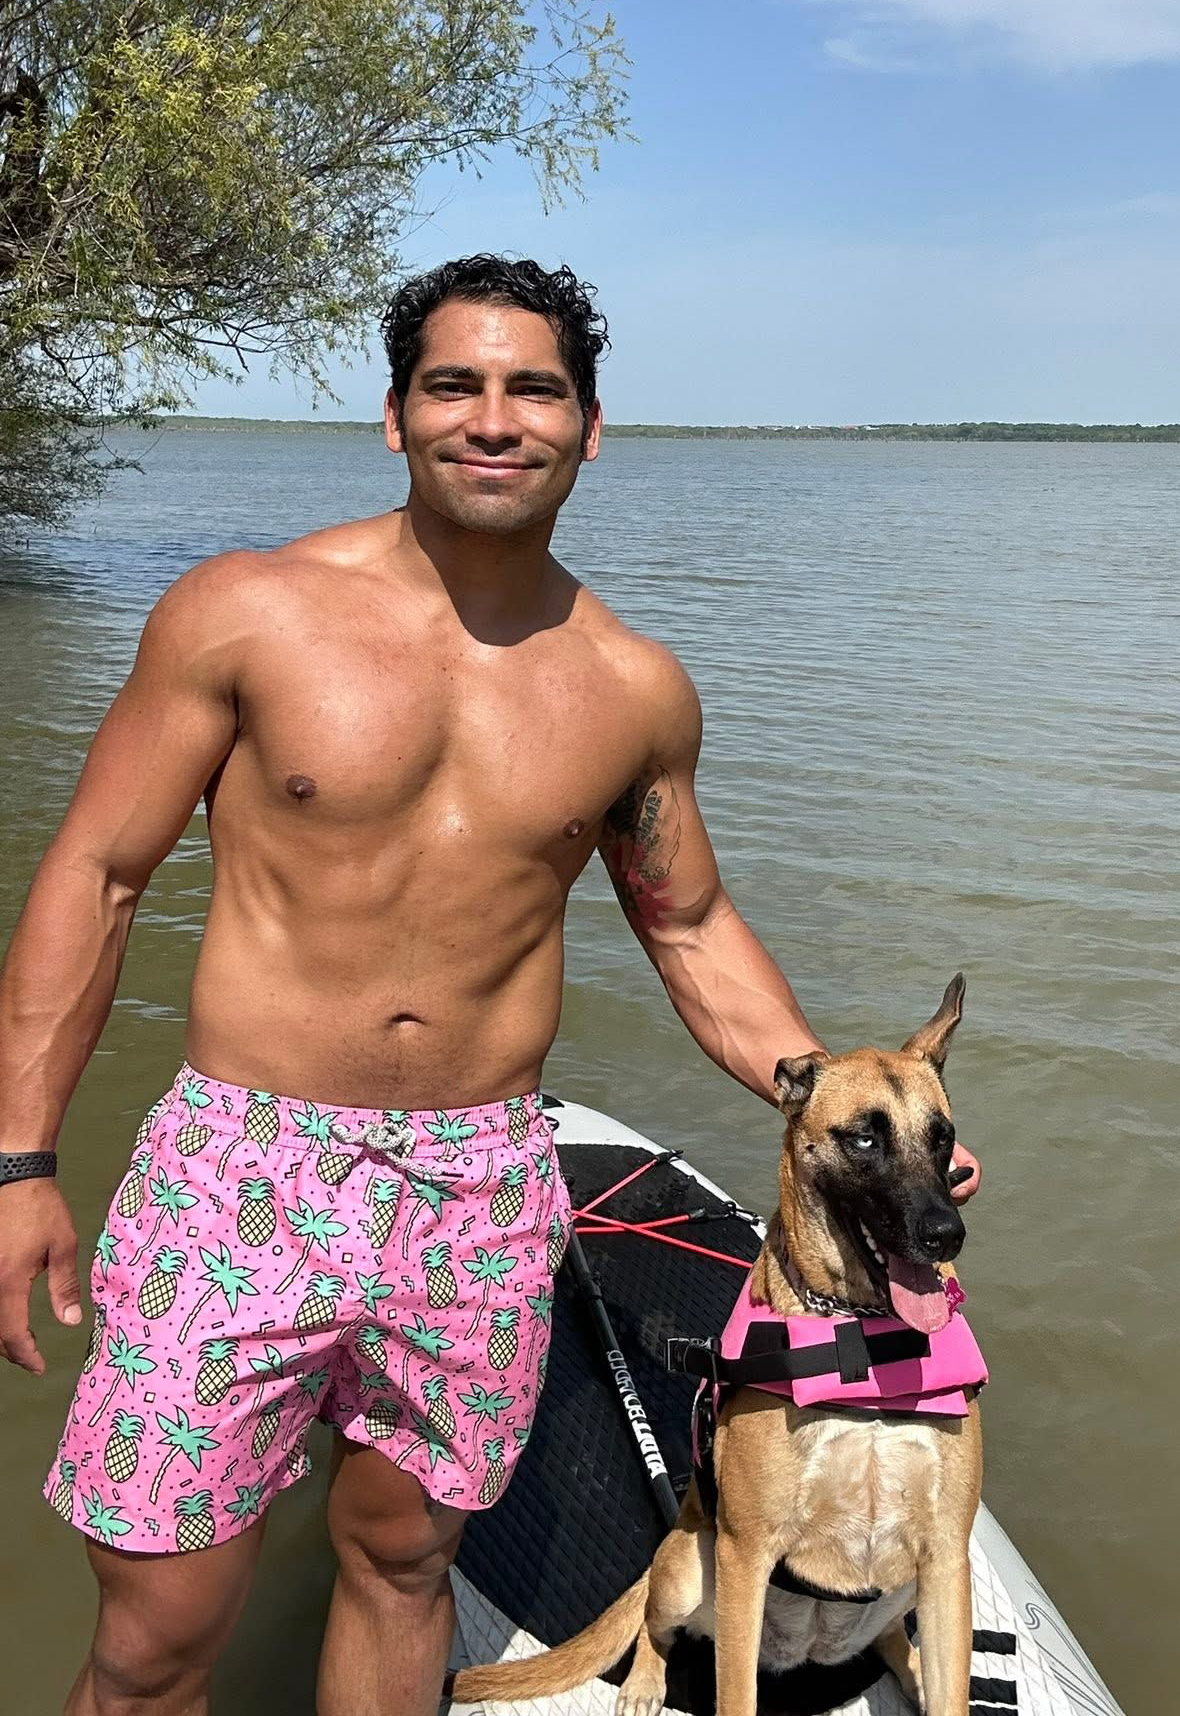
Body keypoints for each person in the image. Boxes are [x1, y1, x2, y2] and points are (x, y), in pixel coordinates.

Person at [0, 254, 981, 1716]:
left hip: (479, 1183)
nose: (495, 418)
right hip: (243, 1167)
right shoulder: (242, 613)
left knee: (406, 1566)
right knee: (155, 1633)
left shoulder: (632, 688)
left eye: (537, 390)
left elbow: (691, 927)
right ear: (395, 414)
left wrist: (865, 1116)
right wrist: (18, 1160)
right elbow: (96, 877)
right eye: (454, 384)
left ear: (591, 426)